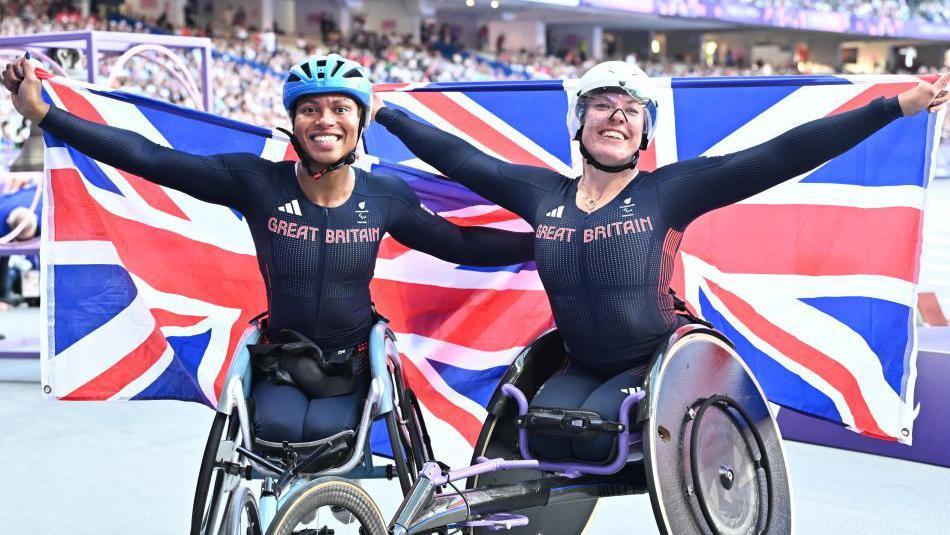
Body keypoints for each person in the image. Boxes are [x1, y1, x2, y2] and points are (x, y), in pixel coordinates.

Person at [374, 61, 949, 462]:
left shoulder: (668, 192)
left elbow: (783, 153)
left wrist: (893, 107)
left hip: (653, 362)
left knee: (593, 436)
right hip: (579, 361)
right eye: (602, 105)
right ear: (579, 123)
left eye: (630, 111)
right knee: (541, 435)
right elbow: (462, 159)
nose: (616, 117)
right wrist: (381, 113)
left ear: (644, 132)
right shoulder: (540, 193)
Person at [2, 53, 535, 444]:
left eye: (339, 109)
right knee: (280, 432)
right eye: (311, 109)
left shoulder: (385, 196)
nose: (325, 119)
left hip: (354, 364)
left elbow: (458, 242)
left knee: (330, 438)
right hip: (280, 359)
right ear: (293, 122)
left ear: (361, 122)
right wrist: (47, 115)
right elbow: (151, 159)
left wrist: (544, 242)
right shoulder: (255, 181)